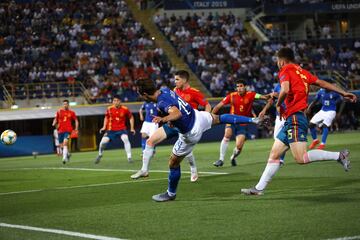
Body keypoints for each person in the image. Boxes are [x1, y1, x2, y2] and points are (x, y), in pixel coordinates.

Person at [241, 47, 357, 196]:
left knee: (301, 158)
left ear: (282, 61)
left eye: (277, 61)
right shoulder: (302, 72)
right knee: (274, 154)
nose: (277, 63)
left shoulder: (285, 70)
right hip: (292, 118)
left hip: (295, 117)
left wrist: (277, 104)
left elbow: (286, 89)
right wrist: (343, 92)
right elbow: (322, 83)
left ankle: (339, 156)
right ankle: (258, 189)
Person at [135, 77, 264, 202]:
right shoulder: (166, 90)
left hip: (191, 131)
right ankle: (253, 119)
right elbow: (177, 107)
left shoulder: (162, 102)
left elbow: (176, 113)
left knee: (173, 163)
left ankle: (170, 194)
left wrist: (163, 119)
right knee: (219, 118)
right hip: (198, 116)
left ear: (145, 94)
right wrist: (171, 120)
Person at [131, 70, 211, 182]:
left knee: (187, 151)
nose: (175, 81)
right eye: (175, 79)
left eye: (177, 79)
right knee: (150, 141)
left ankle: (193, 169)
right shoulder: (171, 91)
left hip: (187, 124)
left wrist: (206, 118)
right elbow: (170, 107)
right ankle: (144, 170)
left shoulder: (193, 92)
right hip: (173, 124)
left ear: (185, 80)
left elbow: (205, 105)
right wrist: (167, 117)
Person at [212, 80, 269, 167]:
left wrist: (269, 96)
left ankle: (233, 157)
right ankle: (221, 159)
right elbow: (218, 106)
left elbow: (263, 97)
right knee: (227, 134)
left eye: (241, 86)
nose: (239, 88)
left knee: (239, 146)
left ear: (245, 86)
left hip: (243, 123)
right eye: (237, 86)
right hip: (231, 120)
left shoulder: (252, 94)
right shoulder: (231, 96)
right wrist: (211, 116)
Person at [95, 95, 135, 164]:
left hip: (121, 129)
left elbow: (131, 117)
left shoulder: (125, 109)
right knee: (102, 143)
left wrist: (132, 128)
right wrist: (104, 127)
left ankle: (129, 157)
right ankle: (100, 154)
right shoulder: (109, 108)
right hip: (111, 130)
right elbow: (106, 118)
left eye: (117, 101)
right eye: (114, 101)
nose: (115, 102)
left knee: (125, 139)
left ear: (120, 101)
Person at [258, 82, 286, 165]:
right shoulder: (277, 86)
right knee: (276, 138)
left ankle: (281, 159)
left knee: (283, 138)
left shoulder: (290, 85)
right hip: (279, 117)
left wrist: (279, 95)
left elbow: (290, 96)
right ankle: (279, 158)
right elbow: (271, 100)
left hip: (289, 115)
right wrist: (264, 110)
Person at [52, 99, 79, 164]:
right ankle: (68, 154)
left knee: (65, 143)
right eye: (64, 104)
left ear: (68, 105)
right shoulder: (59, 111)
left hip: (68, 130)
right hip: (60, 130)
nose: (65, 105)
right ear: (62, 105)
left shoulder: (72, 112)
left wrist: (76, 128)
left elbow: (76, 120)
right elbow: (56, 119)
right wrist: (54, 123)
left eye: (66, 104)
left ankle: (64, 158)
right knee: (61, 146)